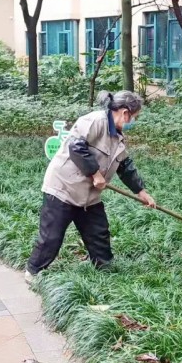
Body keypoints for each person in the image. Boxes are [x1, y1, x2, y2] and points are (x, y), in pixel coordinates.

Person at [25, 90, 155, 283]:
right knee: (52, 236)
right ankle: (33, 271)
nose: (132, 122)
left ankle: (105, 267)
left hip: (89, 195)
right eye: (134, 117)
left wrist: (142, 192)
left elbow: (125, 166)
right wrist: (95, 173)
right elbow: (76, 147)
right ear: (125, 112)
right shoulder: (94, 122)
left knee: (98, 231)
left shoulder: (117, 135)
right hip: (63, 188)